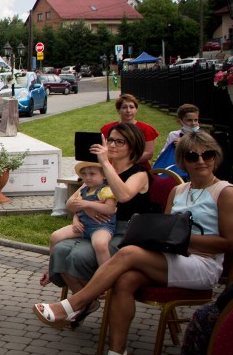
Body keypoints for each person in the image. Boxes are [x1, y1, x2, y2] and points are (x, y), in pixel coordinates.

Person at [33, 131, 233, 355]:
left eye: (207, 154)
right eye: (192, 155)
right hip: (171, 257)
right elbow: (164, 228)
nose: (201, 160)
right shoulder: (178, 190)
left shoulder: (225, 192)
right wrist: (166, 238)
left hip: (203, 263)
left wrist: (183, 238)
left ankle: (73, 304)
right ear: (183, 160)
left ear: (215, 158)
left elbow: (229, 243)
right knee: (125, 280)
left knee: (128, 252)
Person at [44, 123, 152, 310]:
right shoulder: (98, 173)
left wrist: (104, 164)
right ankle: (87, 302)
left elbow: (124, 196)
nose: (112, 145)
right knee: (60, 251)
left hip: (125, 232)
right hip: (95, 227)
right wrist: (86, 209)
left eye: (120, 142)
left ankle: (83, 301)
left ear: (132, 146)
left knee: (77, 256)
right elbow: (71, 203)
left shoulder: (139, 173)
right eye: (110, 140)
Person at [41, 162, 117, 285]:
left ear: (103, 175)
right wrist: (75, 221)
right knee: (55, 236)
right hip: (82, 225)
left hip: (101, 226)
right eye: (84, 174)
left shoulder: (105, 190)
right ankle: (50, 269)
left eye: (92, 174)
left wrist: (87, 204)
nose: (87, 177)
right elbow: (78, 211)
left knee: (100, 244)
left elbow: (110, 209)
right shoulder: (84, 191)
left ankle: (106, 278)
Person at [100, 94, 158, 169]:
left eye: (131, 107)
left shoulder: (146, 129)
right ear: (118, 110)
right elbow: (104, 149)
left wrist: (126, 161)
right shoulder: (107, 128)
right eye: (124, 107)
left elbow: (148, 153)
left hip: (138, 167)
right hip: (113, 167)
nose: (128, 110)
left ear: (136, 109)